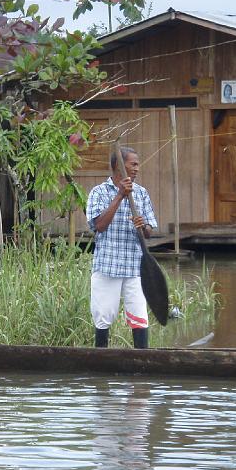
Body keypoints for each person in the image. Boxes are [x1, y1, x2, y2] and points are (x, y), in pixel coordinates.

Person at [86, 146, 157, 349]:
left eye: (137, 164)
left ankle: (141, 362)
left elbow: (149, 232)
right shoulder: (98, 192)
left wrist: (143, 225)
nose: (136, 168)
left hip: (135, 267)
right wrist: (119, 196)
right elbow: (99, 226)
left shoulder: (141, 193)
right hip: (107, 267)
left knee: (140, 317)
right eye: (132, 164)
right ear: (119, 167)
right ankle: (102, 361)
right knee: (103, 317)